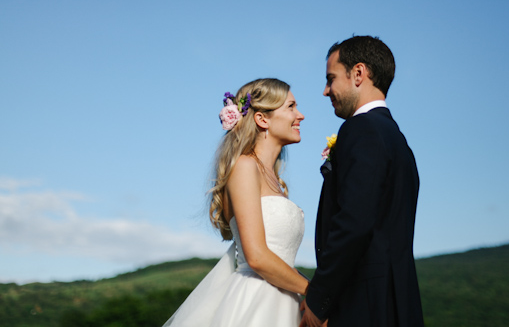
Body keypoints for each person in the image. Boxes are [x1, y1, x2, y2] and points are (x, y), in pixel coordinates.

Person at [300, 36, 425, 327]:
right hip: (397, 303)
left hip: (364, 306)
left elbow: (354, 222)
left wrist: (319, 300)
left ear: (358, 73)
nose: (325, 91)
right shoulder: (399, 143)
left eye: (331, 79)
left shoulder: (360, 130)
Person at [164, 78, 308, 327]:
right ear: (262, 119)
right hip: (257, 301)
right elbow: (257, 256)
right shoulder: (244, 167)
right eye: (291, 107)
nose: (301, 115)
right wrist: (314, 291)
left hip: (284, 301)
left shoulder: (272, 179)